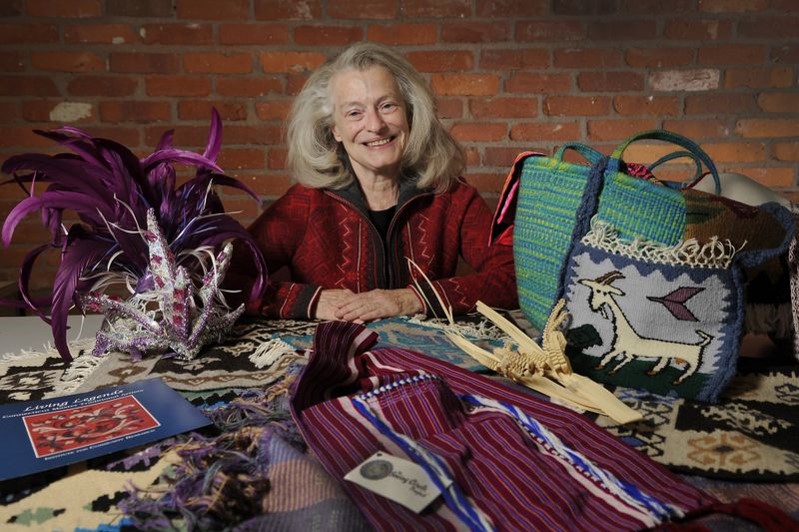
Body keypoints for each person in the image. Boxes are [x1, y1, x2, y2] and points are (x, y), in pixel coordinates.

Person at [238, 42, 517, 322]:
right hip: (335, 350)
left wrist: (411, 299)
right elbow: (220, 281)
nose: (375, 125)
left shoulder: (452, 195)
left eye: (387, 106)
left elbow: (515, 278)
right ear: (335, 129)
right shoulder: (304, 204)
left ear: (409, 113)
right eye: (354, 113)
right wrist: (311, 301)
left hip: (428, 350)